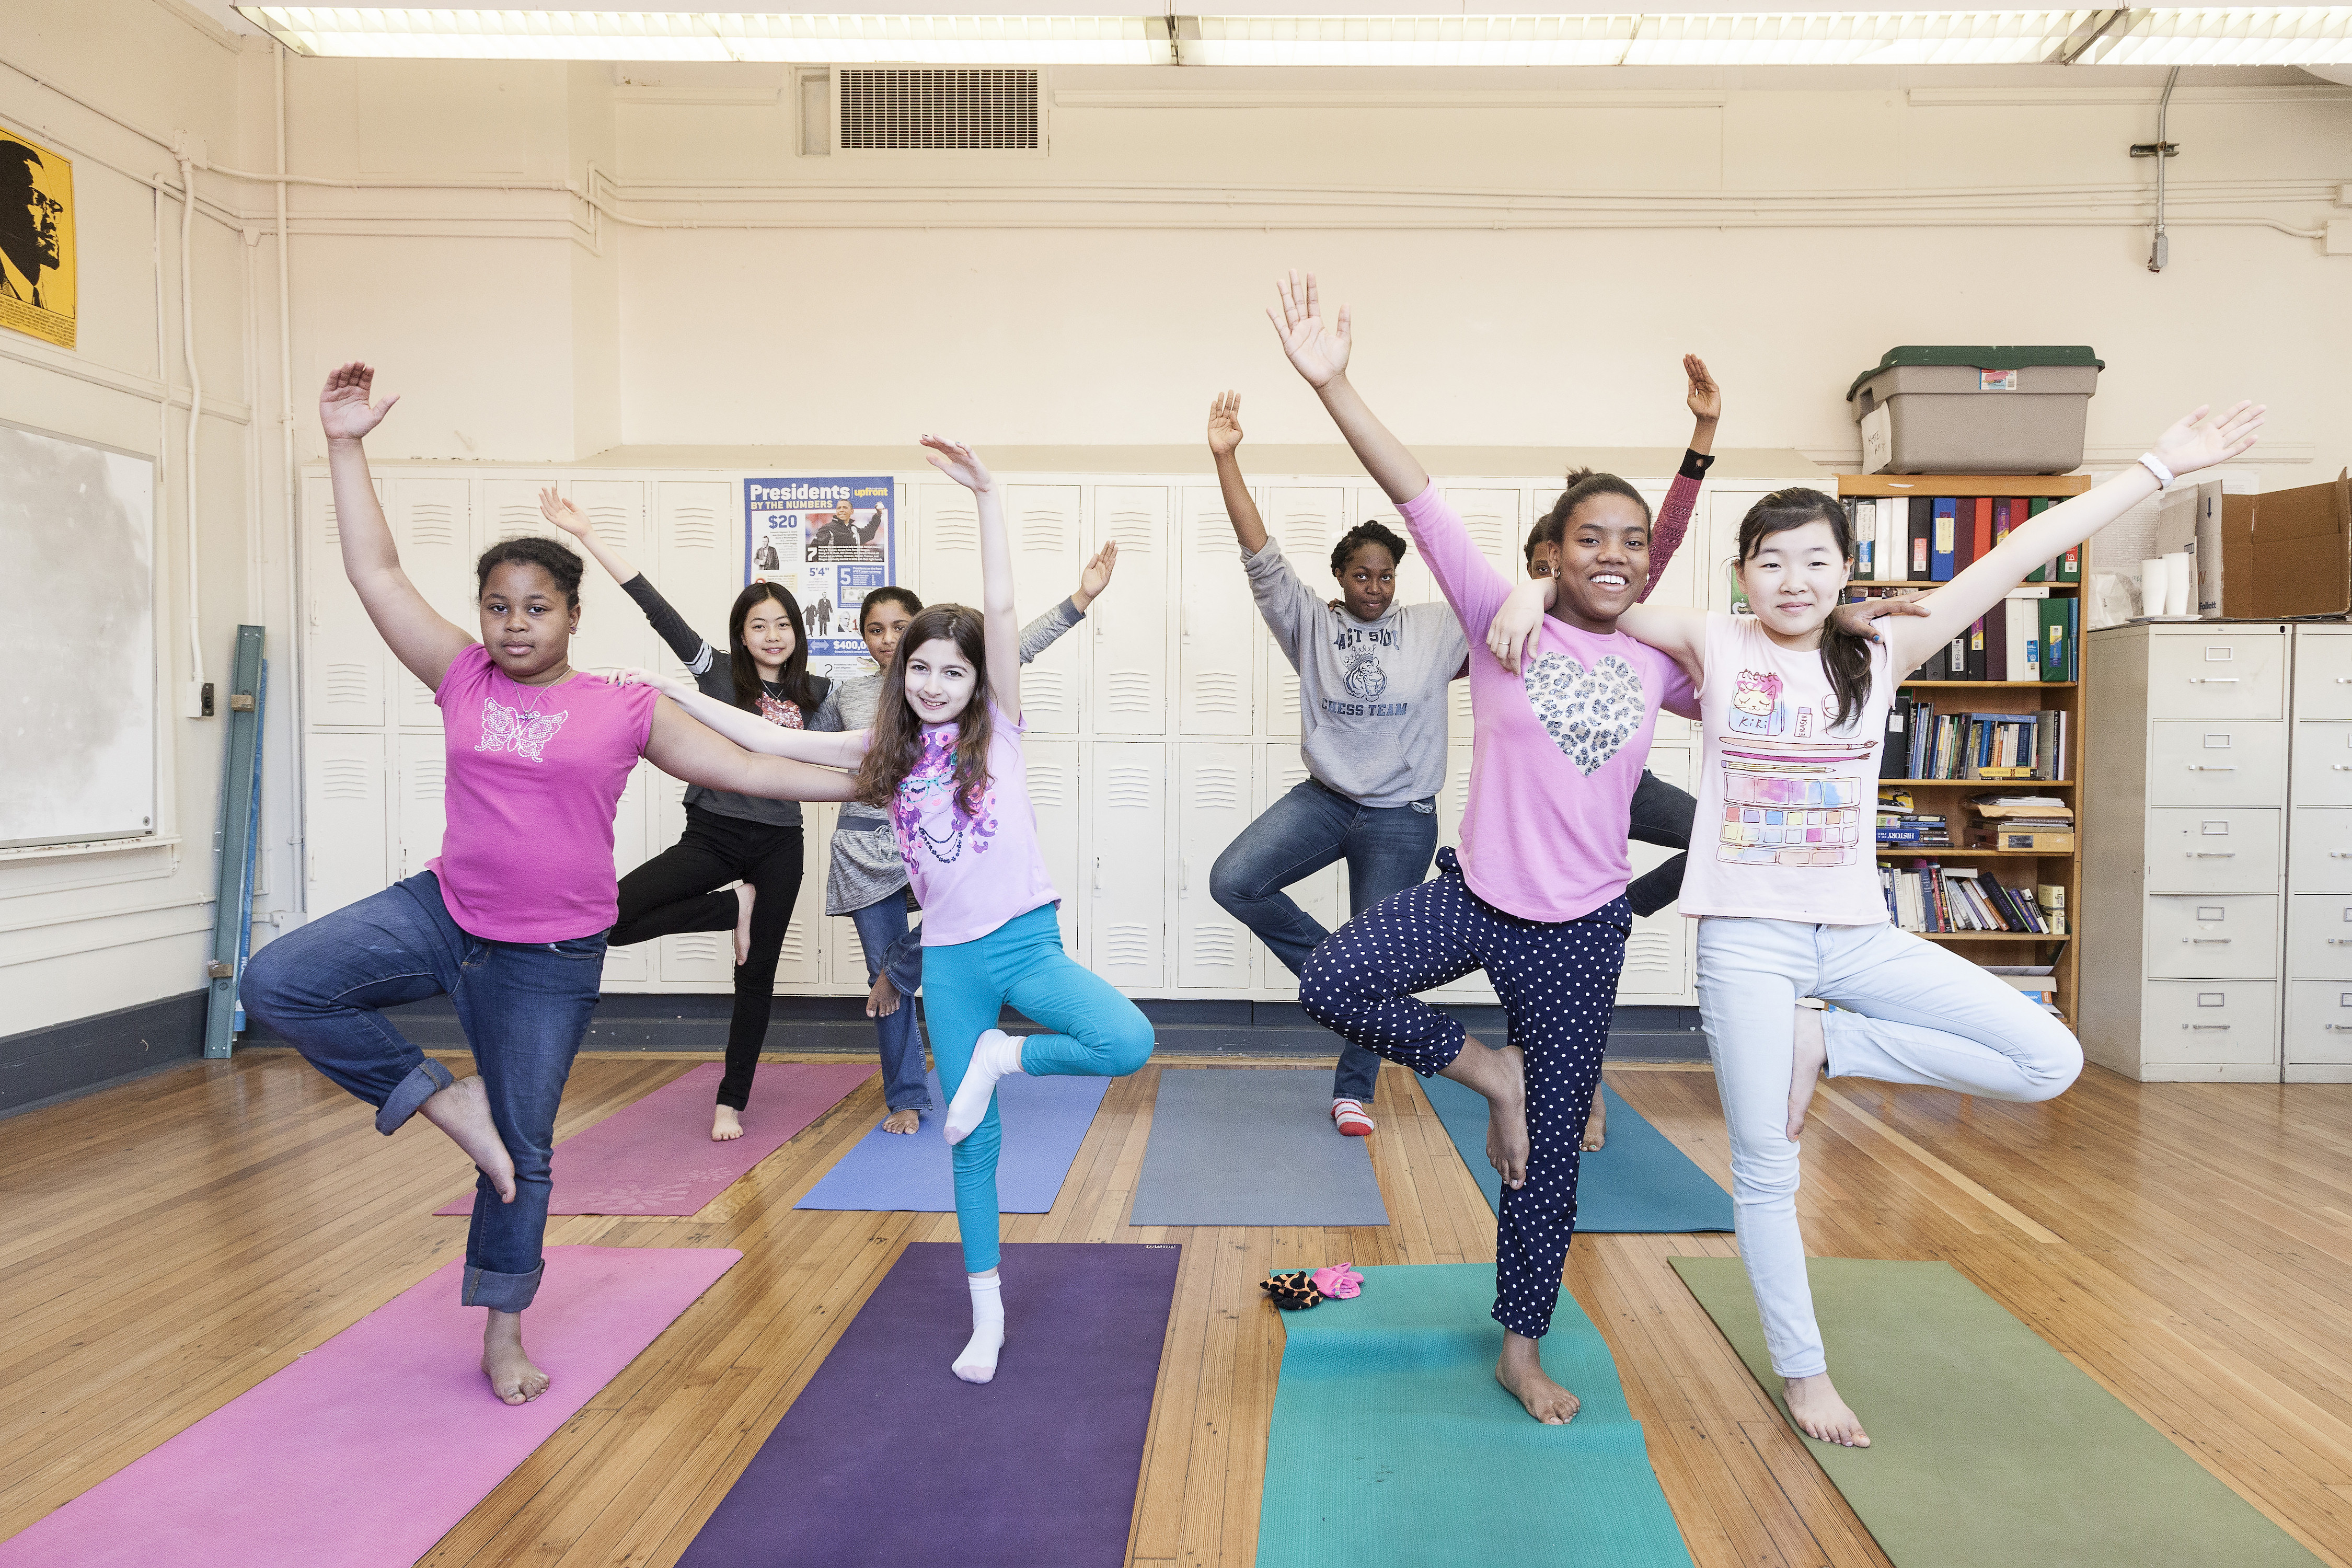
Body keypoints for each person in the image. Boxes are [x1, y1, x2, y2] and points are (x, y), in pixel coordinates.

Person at [1489, 399, 2265, 1446]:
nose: (1793, 581)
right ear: (1741, 576)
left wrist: (2157, 469)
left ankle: (1833, 1044)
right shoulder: (1714, 642)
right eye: (1771, 562)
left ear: (1846, 573)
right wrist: (1531, 591)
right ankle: (1805, 1374)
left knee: (2049, 1061)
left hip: (1856, 937)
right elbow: (1601, 587)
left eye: (1816, 562)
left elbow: (2023, 551)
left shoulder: (1887, 648)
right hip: (1748, 945)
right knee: (1766, 1166)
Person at [240, 363, 860, 1407]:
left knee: (523, 1154)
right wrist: (345, 444)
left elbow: (752, 769)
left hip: (552, 956)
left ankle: (503, 1330)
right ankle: (446, 1100)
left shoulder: (622, 706)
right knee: (279, 982)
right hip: (446, 912)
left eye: (536, 607)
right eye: (497, 606)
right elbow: (376, 572)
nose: (514, 623)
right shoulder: (461, 675)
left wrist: (874, 776)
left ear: (573, 614)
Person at [643, 436, 1155, 1383]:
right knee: (971, 1141)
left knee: (1126, 1040)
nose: (932, 684)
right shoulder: (880, 758)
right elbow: (762, 741)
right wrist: (674, 696)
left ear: (977, 681)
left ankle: (1005, 1058)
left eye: (952, 672)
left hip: (1027, 946)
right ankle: (986, 1314)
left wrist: (987, 497)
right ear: (899, 672)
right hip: (951, 967)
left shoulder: (999, 734)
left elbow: (1002, 609)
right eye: (920, 668)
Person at [538, 491, 828, 1143]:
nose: (772, 635)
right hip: (715, 835)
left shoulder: (819, 694)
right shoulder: (717, 674)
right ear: (741, 635)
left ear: (797, 632)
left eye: (783, 624)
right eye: (759, 625)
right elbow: (656, 608)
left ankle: (731, 1101)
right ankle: (732, 907)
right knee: (612, 918)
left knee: (756, 977)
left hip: (780, 845)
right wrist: (588, 535)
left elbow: (852, 747)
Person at [809, 544, 1120, 1137]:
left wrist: (1079, 599)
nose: (887, 639)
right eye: (874, 629)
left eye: (899, 627)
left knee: (927, 950)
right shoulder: (848, 695)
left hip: (941, 851)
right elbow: (803, 744)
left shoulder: (952, 682)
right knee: (886, 984)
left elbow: (1012, 642)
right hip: (867, 853)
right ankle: (906, 1096)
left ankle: (909, 979)